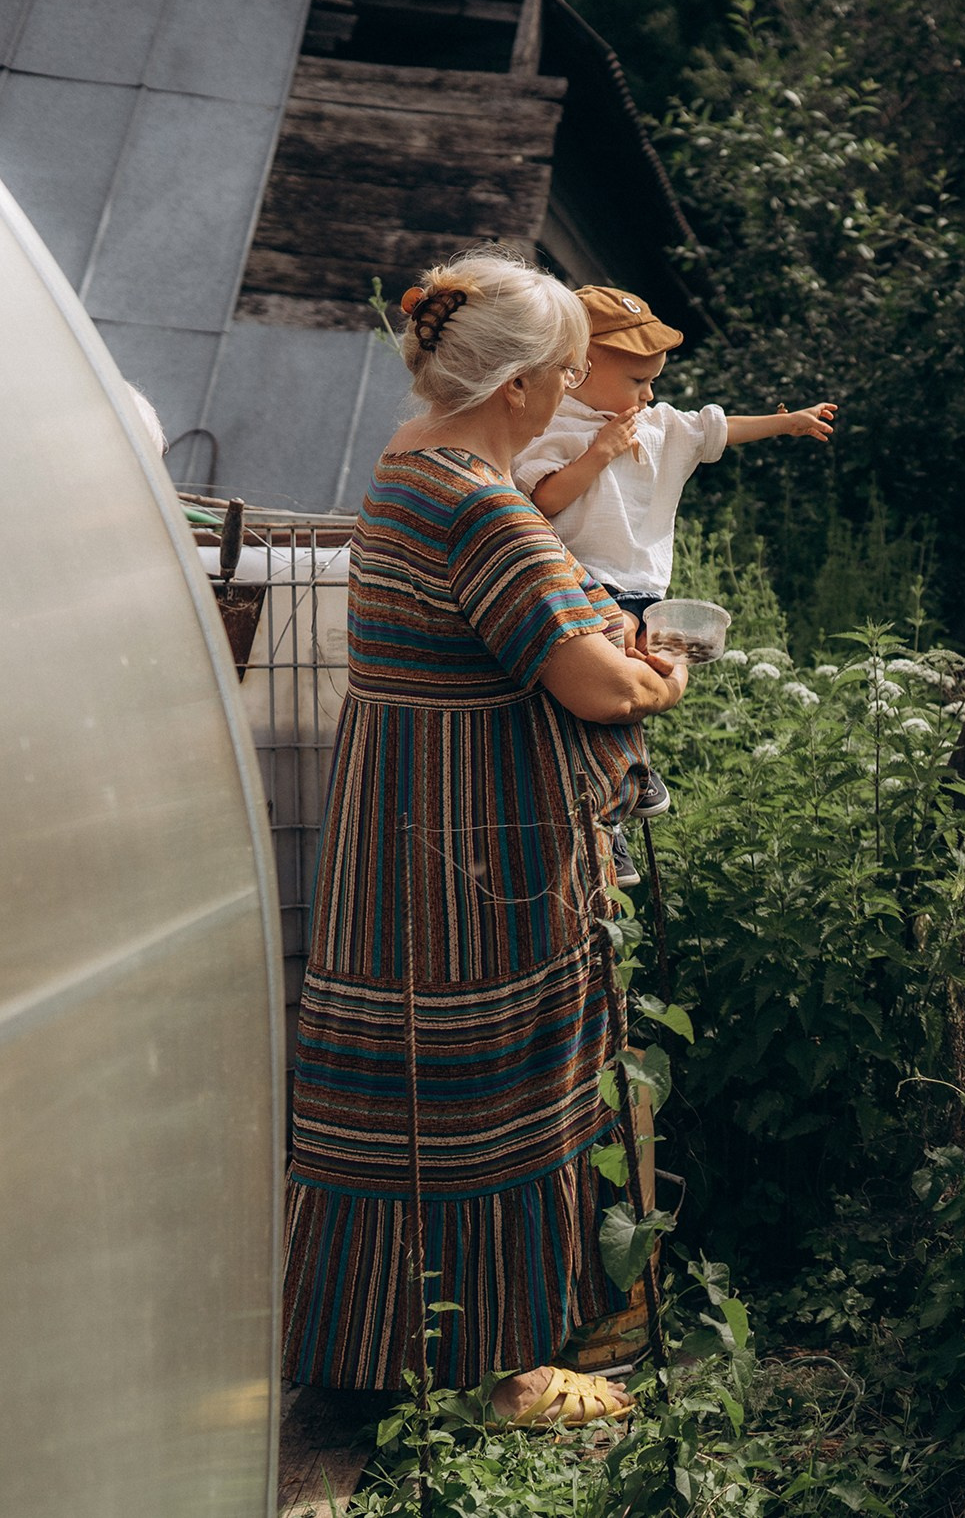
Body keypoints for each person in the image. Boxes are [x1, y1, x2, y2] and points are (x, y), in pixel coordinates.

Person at [283, 250, 686, 1420]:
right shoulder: (482, 505)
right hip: (476, 848)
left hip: (395, 822)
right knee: (497, 1085)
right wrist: (660, 680)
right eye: (564, 373)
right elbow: (595, 684)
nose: (571, 392)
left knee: (394, 1090)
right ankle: (500, 1368)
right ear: (516, 385)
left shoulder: (406, 465)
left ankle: (361, 1350)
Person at [514, 285, 836, 875]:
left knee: (642, 679)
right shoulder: (554, 424)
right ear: (578, 366)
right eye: (638, 380)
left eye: (653, 381)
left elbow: (716, 429)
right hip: (582, 582)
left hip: (643, 587)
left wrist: (788, 422)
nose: (650, 394)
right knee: (610, 682)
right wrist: (600, 452)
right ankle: (613, 813)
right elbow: (543, 498)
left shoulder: (659, 424)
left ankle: (627, 784)